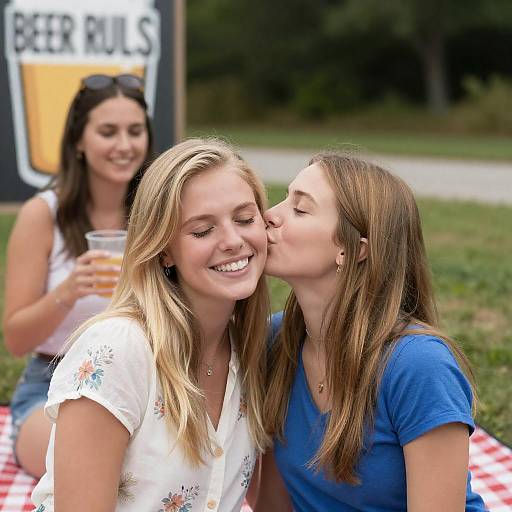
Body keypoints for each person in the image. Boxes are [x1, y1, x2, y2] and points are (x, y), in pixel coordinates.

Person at [31, 138, 270, 511]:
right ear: (163, 252)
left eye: (244, 218)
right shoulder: (117, 351)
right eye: (202, 230)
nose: (233, 240)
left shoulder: (255, 351)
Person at [256, 154, 486, 511]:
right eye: (285, 198)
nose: (270, 213)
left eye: (300, 209)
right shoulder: (276, 340)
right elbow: (274, 505)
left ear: (351, 250)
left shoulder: (418, 366)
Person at [3, 73, 154, 478]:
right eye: (108, 132)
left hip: (142, 382)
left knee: (150, 467)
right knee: (79, 465)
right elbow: (16, 340)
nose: (124, 145)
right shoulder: (43, 214)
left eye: (135, 131)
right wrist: (68, 292)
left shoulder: (158, 214)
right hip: (51, 385)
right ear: (78, 142)